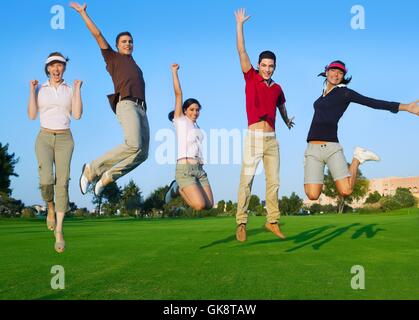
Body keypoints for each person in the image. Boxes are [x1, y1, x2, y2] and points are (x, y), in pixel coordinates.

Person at [304, 60, 419, 201]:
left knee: (346, 191)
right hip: (312, 149)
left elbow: (372, 102)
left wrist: (406, 107)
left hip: (331, 147)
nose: (336, 74)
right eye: (333, 70)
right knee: (312, 195)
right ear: (326, 71)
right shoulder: (322, 95)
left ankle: (357, 158)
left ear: (343, 77)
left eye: (340, 73)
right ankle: (315, 164)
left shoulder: (344, 93)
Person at [71, 2, 149, 196]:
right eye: (124, 41)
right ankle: (92, 169)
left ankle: (107, 177)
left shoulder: (136, 66)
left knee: (142, 154)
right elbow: (97, 35)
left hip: (142, 109)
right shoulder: (112, 58)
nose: (128, 44)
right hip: (126, 104)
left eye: (130, 41)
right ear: (117, 45)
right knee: (133, 144)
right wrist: (83, 14)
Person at [234, 9, 294, 242]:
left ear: (275, 67)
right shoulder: (250, 76)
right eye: (264, 65)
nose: (267, 68)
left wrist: (287, 119)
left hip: (272, 140)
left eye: (271, 66)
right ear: (258, 65)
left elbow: (281, 106)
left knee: (274, 182)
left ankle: (272, 221)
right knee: (247, 180)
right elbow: (241, 50)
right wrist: (240, 25)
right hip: (254, 136)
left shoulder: (277, 87)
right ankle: (241, 222)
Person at [28, 52, 83, 253]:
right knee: (45, 179)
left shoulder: (69, 89)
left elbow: (76, 115)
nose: (56, 68)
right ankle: (49, 206)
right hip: (43, 137)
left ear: (64, 68)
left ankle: (59, 230)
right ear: (48, 69)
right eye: (53, 65)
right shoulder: (41, 88)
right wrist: (31, 90)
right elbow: (32, 115)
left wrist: (77, 90)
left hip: (64, 139)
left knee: (63, 181)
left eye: (60, 65)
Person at [164, 64, 214, 210]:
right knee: (199, 206)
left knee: (209, 205)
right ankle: (178, 188)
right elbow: (178, 94)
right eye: (192, 109)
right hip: (184, 168)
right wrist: (174, 72)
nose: (195, 112)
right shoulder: (180, 121)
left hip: (199, 169)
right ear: (185, 111)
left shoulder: (197, 128)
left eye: (197, 110)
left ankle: (180, 187)